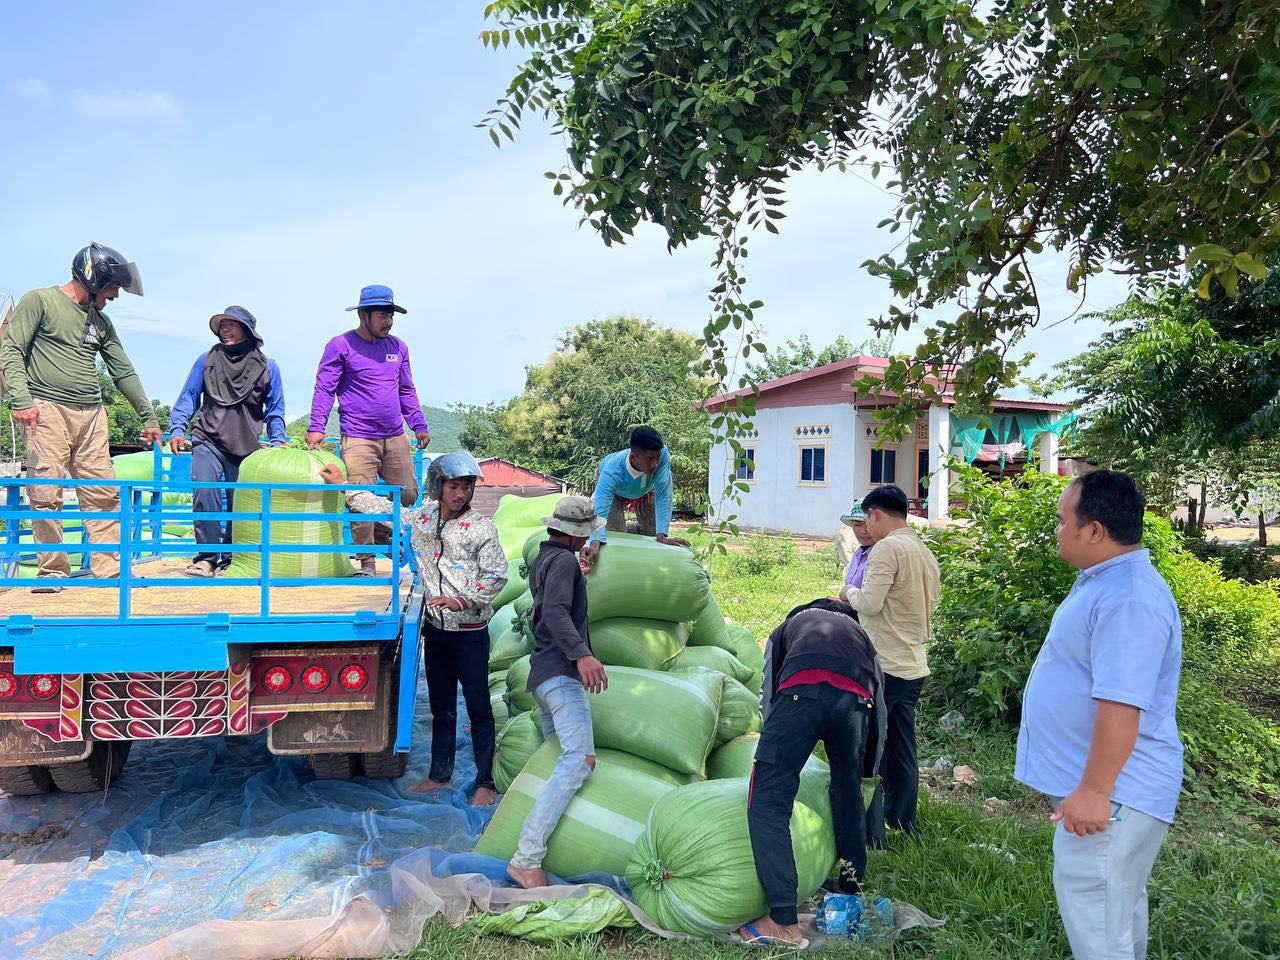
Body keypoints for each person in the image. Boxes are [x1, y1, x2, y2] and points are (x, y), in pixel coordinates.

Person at [1016, 470, 1183, 960]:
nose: (1057, 530)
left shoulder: (1129, 597)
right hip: (1111, 793)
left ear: (1094, 530)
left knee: (1099, 923)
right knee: (1114, 912)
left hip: (1116, 797)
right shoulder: (1107, 582)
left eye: (1063, 521)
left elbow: (1122, 702)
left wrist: (1093, 791)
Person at [319, 451, 507, 805]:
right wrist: (344, 486)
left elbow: (496, 575)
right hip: (436, 632)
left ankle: (485, 781)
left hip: (470, 633)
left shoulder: (481, 527)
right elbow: (385, 510)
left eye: (467, 486)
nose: (461, 494)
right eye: (454, 486)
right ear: (438, 486)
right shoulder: (422, 518)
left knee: (479, 708)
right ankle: (439, 775)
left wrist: (462, 600)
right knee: (442, 706)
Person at [0, 243, 161, 593]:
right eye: (113, 287)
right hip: (46, 411)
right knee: (45, 492)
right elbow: (11, 349)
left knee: (103, 493)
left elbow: (123, 370)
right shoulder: (40, 301)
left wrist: (148, 417)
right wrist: (21, 399)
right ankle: (53, 571)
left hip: (92, 415)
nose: (115, 295)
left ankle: (111, 569)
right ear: (94, 277)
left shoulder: (100, 321)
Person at [740, 598, 885, 949]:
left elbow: (769, 696)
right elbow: (879, 709)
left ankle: (782, 920)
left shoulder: (786, 629)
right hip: (854, 704)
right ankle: (850, 888)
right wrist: (868, 773)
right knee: (848, 791)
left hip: (799, 696)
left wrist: (770, 750)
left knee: (768, 801)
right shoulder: (861, 637)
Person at [506, 495, 609, 888]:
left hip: (543, 673)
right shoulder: (564, 561)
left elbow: (549, 608)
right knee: (579, 760)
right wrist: (582, 656)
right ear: (575, 534)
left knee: (563, 762)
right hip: (561, 675)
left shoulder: (546, 558)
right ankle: (527, 858)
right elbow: (554, 612)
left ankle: (548, 849)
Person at [307, 284, 430, 576]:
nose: (388, 321)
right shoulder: (341, 346)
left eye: (391, 315)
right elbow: (325, 388)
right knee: (359, 497)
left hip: (395, 434)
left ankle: (386, 536)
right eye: (382, 315)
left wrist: (418, 424)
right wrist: (316, 427)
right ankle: (367, 562)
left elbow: (406, 390)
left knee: (408, 494)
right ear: (364, 315)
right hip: (358, 436)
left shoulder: (398, 348)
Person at [840, 484, 939, 834]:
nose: (865, 525)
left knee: (870, 750)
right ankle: (901, 819)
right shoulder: (922, 550)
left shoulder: (887, 549)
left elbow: (869, 603)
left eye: (866, 517)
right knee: (901, 746)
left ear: (876, 514)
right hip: (913, 663)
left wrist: (847, 591)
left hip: (885, 664)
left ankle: (871, 833)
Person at [168, 306, 286, 577]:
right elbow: (189, 396)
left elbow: (275, 409)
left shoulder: (268, 367)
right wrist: (177, 428)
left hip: (246, 446)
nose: (225, 329)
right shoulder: (206, 360)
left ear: (247, 330)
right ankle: (207, 558)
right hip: (207, 438)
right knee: (205, 493)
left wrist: (278, 440)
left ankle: (231, 558)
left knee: (239, 502)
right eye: (222, 325)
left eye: (232, 325)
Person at [580, 425, 688, 570]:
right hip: (616, 492)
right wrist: (595, 541)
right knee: (615, 536)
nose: (655, 464)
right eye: (650, 459)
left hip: (645, 489)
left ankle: (632, 529)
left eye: (657, 458)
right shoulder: (611, 471)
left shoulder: (662, 454)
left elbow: (664, 493)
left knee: (653, 533)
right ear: (632, 457)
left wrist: (662, 535)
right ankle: (623, 528)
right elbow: (601, 507)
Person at [841, 504, 876, 590]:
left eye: (869, 525)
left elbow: (870, 599)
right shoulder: (859, 553)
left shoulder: (881, 555)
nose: (864, 531)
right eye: (857, 524)